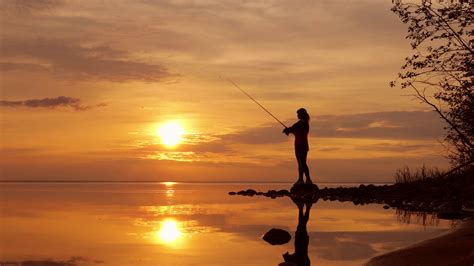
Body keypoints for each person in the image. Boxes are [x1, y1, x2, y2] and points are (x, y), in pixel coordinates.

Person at [283, 108, 312, 185]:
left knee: (301, 163)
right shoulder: (306, 123)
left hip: (299, 145)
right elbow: (295, 131)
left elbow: (292, 129)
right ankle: (308, 180)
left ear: (301, 114)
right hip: (305, 145)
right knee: (303, 163)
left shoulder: (300, 123)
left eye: (298, 114)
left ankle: (301, 180)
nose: (297, 115)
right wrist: (289, 130)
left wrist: (287, 130)